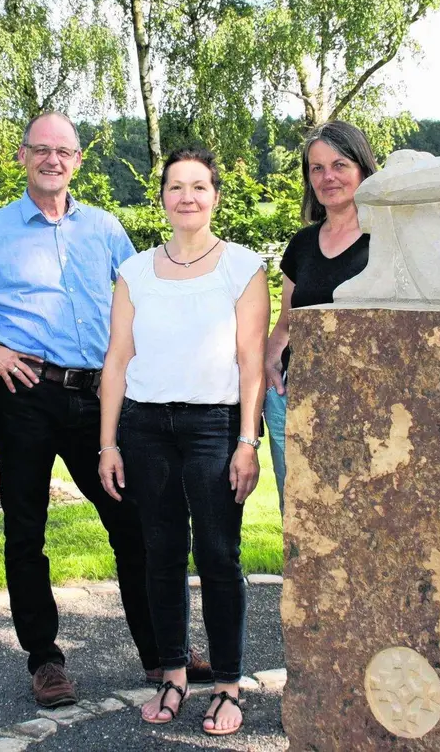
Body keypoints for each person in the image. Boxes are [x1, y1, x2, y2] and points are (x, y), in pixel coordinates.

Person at [0, 112, 210, 707]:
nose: (52, 160)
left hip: (99, 397)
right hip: (26, 396)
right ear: (22, 157)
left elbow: (136, 299)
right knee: (27, 530)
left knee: (134, 522)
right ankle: (44, 660)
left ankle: (160, 654)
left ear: (77, 160)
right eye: (40, 150)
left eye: (63, 151)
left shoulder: (103, 228)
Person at [97, 147, 269, 737]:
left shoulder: (243, 268)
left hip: (213, 429)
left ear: (215, 196)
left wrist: (248, 441)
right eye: (176, 187)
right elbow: (117, 361)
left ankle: (226, 685)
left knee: (219, 556)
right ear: (163, 197)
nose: (187, 197)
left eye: (199, 186)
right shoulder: (135, 272)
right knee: (161, 554)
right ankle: (172, 673)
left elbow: (252, 363)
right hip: (144, 429)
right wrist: (108, 444)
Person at [262, 121, 378, 510]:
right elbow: (286, 323)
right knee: (297, 514)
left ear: (362, 167)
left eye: (340, 164)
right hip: (291, 400)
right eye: (317, 168)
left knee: (353, 516)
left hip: (360, 407)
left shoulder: (387, 241)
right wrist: (269, 362)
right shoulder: (303, 244)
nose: (328, 177)